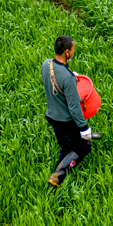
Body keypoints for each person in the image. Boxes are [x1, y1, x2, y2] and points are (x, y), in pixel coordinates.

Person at [42, 35, 103, 188]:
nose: (74, 52)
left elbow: (57, 76)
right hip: (65, 121)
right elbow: (74, 107)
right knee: (84, 147)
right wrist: (84, 128)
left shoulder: (46, 64)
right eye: (73, 50)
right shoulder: (67, 79)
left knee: (66, 147)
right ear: (67, 52)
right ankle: (58, 176)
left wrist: (70, 74)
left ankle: (56, 176)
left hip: (51, 116)